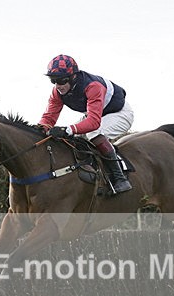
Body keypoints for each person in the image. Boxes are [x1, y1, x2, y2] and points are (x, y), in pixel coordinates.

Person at [38, 54, 134, 195]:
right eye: (53, 81)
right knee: (70, 139)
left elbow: (94, 122)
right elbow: (48, 118)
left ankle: (120, 178)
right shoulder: (57, 92)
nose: (58, 86)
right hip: (96, 114)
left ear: (73, 77)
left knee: (92, 133)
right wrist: (40, 129)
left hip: (120, 114)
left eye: (61, 80)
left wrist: (68, 129)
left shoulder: (93, 86)